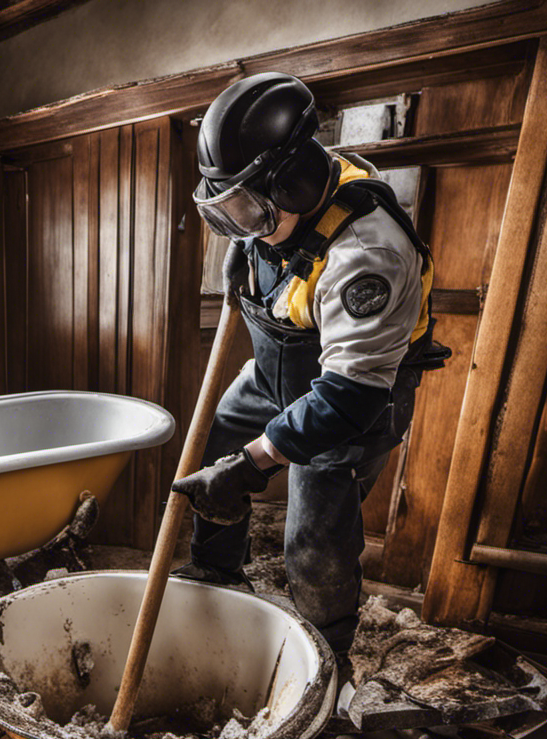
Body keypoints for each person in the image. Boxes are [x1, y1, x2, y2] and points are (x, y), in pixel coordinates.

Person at [171, 72, 448, 660]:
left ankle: (328, 656)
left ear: (293, 184)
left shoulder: (367, 255)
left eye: (245, 212)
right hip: (277, 374)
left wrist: (252, 468)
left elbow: (347, 396)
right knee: (213, 442)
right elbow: (263, 236)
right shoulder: (279, 206)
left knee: (314, 535)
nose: (238, 226)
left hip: (349, 399)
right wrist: (244, 246)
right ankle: (217, 573)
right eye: (225, 213)